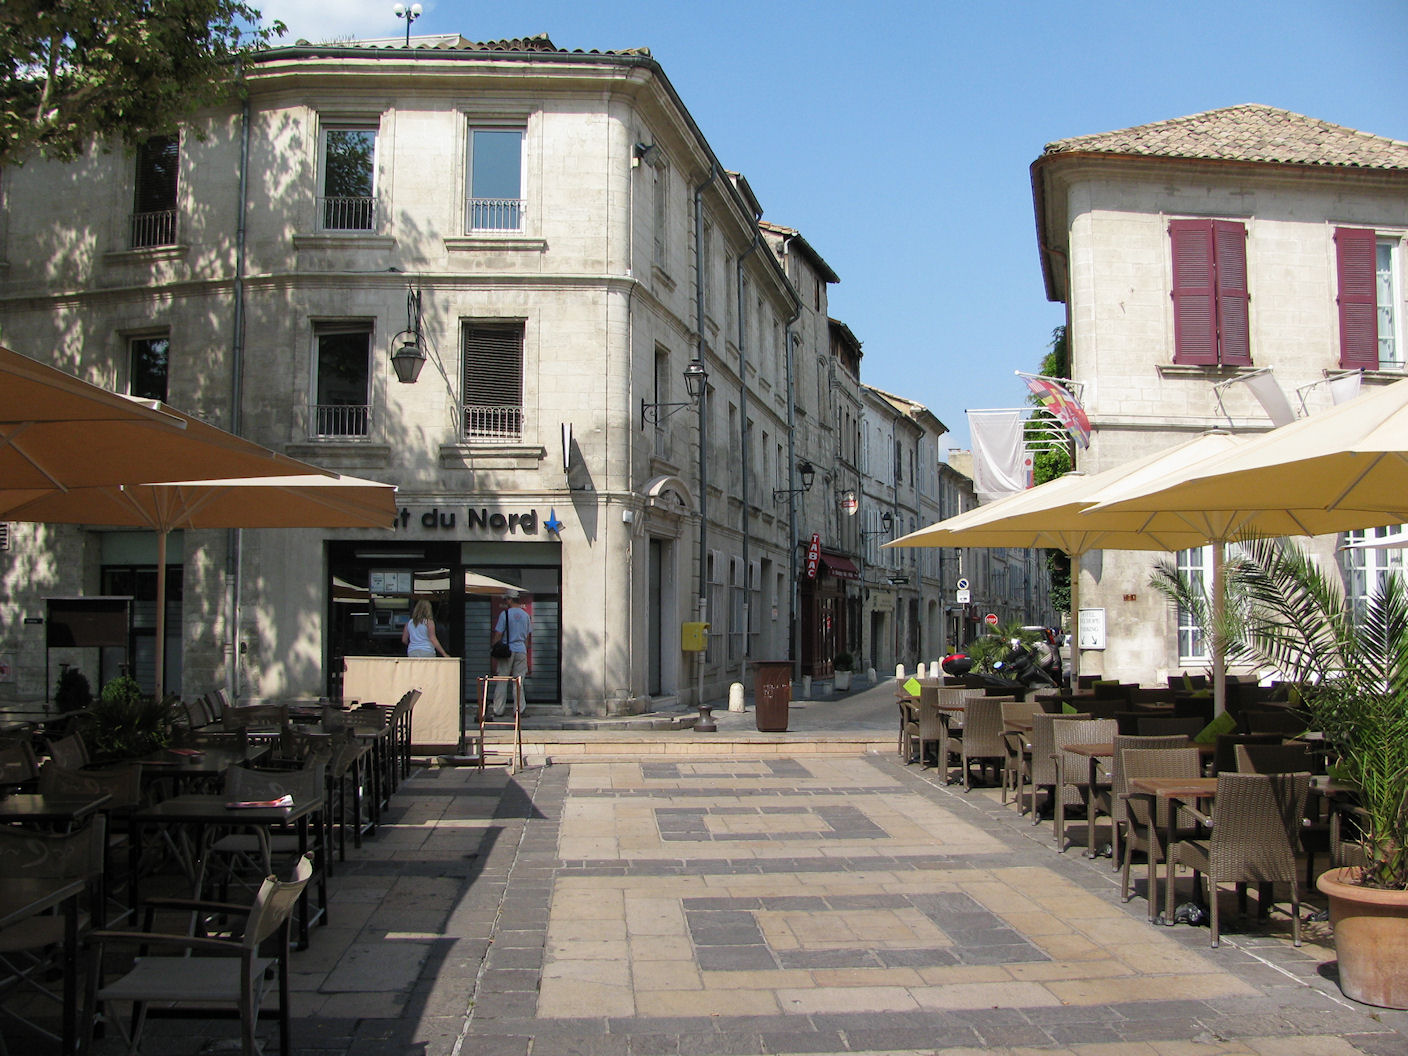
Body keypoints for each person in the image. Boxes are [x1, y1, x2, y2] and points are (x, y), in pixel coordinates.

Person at [492, 593, 531, 717]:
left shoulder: (505, 614)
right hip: (521, 650)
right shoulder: (526, 615)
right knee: (518, 682)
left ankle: (498, 710)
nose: (506, 602)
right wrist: (524, 649)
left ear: (510, 600)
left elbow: (498, 634)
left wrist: (494, 647)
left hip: (507, 650)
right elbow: (527, 637)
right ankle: (519, 710)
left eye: (506, 599)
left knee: (502, 680)